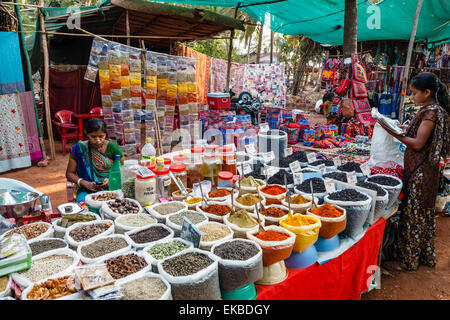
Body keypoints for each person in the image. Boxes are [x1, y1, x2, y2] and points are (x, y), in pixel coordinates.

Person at [380, 72, 449, 272]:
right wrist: (403, 129)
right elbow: (421, 136)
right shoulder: (431, 110)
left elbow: (418, 144)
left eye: (414, 93)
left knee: (413, 215)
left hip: (421, 172)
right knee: (422, 214)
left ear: (427, 92)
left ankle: (408, 261)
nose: (411, 97)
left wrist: (395, 134)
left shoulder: (431, 112)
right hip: (424, 171)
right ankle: (423, 256)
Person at [66, 118, 125, 203]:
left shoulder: (113, 148)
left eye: (101, 136)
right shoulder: (79, 149)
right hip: (87, 189)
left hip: (112, 188)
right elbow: (69, 173)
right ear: (87, 134)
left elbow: (124, 169)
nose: (97, 140)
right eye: (93, 136)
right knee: (83, 205)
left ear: (105, 134)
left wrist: (111, 180)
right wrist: (84, 183)